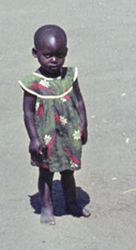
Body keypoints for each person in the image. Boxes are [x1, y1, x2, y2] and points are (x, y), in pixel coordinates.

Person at [19, 24, 89, 225]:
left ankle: (72, 203)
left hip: (68, 133)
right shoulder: (33, 83)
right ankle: (47, 206)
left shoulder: (70, 76)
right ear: (36, 53)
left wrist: (84, 126)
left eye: (59, 55)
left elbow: (80, 101)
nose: (53, 60)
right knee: (46, 172)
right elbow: (28, 111)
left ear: (66, 53)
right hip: (46, 135)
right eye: (47, 55)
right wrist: (33, 138)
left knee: (68, 171)